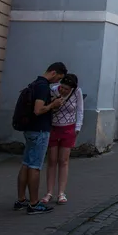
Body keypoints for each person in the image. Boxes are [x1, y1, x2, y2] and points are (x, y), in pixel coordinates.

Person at [15, 62, 68, 214]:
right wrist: (53, 105)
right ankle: (34, 203)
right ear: (53, 73)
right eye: (58, 78)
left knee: (26, 163)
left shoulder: (34, 83)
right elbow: (38, 110)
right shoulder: (43, 86)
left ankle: (21, 200)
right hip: (39, 130)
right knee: (35, 167)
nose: (57, 82)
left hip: (30, 129)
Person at [41, 73, 83, 206]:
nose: (63, 90)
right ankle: (49, 192)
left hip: (68, 129)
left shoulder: (77, 92)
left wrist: (78, 127)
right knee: (52, 160)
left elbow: (80, 110)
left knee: (63, 161)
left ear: (72, 88)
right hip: (53, 128)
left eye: (67, 89)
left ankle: (61, 193)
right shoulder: (53, 90)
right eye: (62, 87)